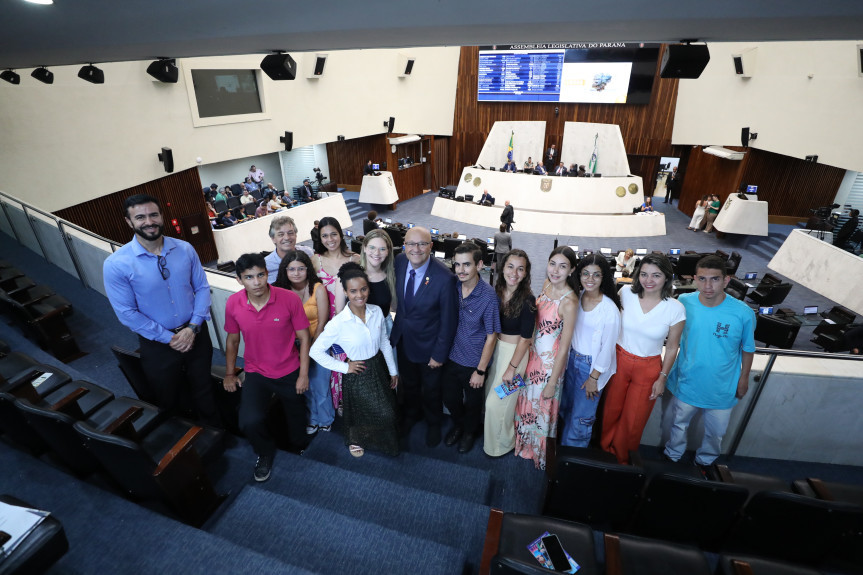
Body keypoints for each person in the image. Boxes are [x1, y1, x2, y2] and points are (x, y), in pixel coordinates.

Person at [103, 194, 220, 427]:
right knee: (168, 395)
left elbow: (202, 288)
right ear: (129, 222)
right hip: (157, 343)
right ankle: (181, 445)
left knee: (204, 388)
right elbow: (127, 312)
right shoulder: (117, 264)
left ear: (161, 216)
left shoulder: (185, 249)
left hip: (196, 333)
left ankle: (216, 434)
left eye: (153, 214)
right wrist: (170, 338)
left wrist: (192, 327)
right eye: (140, 217)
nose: (149, 221)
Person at [663, 255, 755, 475]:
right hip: (687, 380)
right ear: (694, 279)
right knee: (678, 425)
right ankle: (672, 456)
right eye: (702, 279)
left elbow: (748, 348)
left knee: (716, 433)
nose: (708, 285)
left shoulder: (743, 313)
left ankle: (705, 462)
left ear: (726, 280)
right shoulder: (684, 302)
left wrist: (743, 379)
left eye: (714, 279)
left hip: (722, 387)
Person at [223, 253, 310, 482]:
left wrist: (303, 374)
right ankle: (264, 452)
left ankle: (299, 447)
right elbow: (232, 341)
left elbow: (304, 337)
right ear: (240, 280)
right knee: (248, 421)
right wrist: (229, 373)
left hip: (289, 370)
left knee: (297, 422)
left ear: (267, 273)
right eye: (249, 277)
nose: (257, 282)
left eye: (260, 275)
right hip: (256, 372)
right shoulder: (233, 303)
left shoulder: (289, 299)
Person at [600, 254, 685, 464]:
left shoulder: (676, 308)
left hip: (649, 367)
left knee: (634, 418)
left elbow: (673, 347)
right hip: (619, 359)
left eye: (656, 275)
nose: (649, 280)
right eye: (644, 274)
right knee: (610, 409)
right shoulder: (626, 293)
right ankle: (603, 451)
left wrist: (662, 378)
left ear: (666, 278)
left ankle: (621, 457)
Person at [310, 263, 399, 457]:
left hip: (379, 367)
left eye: (363, 289)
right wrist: (344, 367)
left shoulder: (376, 311)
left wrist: (393, 371)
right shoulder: (339, 323)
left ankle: (367, 434)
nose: (360, 295)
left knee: (388, 409)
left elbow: (384, 341)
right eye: (353, 291)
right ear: (345, 292)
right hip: (357, 371)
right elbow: (315, 352)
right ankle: (357, 438)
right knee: (372, 412)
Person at [390, 226, 458, 447]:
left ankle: (433, 423)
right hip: (403, 340)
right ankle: (411, 415)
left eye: (422, 244)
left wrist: (439, 354)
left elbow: (448, 321)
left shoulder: (444, 278)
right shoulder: (399, 262)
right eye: (411, 244)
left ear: (431, 246)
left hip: (430, 348)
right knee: (409, 385)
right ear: (404, 246)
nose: (416, 249)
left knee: (431, 390)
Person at [515, 247, 578, 470]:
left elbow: (564, 348)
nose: (556, 270)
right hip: (532, 357)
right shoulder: (546, 285)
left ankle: (538, 453)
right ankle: (523, 446)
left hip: (550, 366)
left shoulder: (570, 302)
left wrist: (552, 383)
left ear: (571, 270)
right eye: (553, 263)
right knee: (525, 401)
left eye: (563, 266)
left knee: (541, 406)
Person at [441, 243, 500, 453]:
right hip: (450, 357)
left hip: (474, 363)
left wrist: (480, 370)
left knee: (474, 405)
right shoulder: (453, 286)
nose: (461, 270)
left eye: (467, 264)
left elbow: (492, 337)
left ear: (480, 264)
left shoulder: (488, 296)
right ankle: (459, 425)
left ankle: (469, 432)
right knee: (450, 399)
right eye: (457, 264)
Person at [559, 254, 622, 448]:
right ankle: (560, 454)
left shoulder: (609, 309)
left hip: (590, 368)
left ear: (604, 278)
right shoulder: (575, 297)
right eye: (585, 274)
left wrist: (594, 378)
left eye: (596, 275)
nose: (590, 279)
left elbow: (607, 348)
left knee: (581, 418)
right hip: (570, 361)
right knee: (565, 409)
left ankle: (572, 464)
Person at [274, 250, 333, 435]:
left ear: (308, 269)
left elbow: (322, 322)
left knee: (320, 385)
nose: (297, 273)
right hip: (294, 347)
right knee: (304, 386)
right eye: (292, 269)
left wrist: (313, 348)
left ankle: (325, 419)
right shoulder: (281, 291)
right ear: (285, 270)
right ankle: (312, 418)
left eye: (301, 268)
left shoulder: (318, 288)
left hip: (318, 343)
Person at [484, 249, 536, 457]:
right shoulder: (496, 292)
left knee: (497, 404)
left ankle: (501, 445)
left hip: (516, 357)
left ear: (526, 273)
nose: (514, 273)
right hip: (496, 350)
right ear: (502, 268)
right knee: (491, 399)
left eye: (520, 269)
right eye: (510, 266)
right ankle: (495, 441)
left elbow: (526, 339)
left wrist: (512, 368)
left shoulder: (528, 300)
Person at [313, 216, 361, 412]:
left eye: (334, 234)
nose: (330, 239)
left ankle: (351, 404)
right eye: (325, 235)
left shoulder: (355, 258)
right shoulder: (315, 260)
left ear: (341, 235)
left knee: (350, 363)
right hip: (325, 321)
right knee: (330, 366)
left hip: (350, 322)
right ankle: (336, 403)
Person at [360, 229, 397, 336]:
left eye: (382, 249)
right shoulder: (350, 275)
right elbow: (339, 313)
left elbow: (394, 308)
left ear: (388, 252)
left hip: (384, 332)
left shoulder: (392, 277)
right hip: (357, 333)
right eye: (372, 247)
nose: (377, 253)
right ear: (364, 248)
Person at [265, 215, 315, 283]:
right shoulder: (266, 265)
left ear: (296, 235)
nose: (287, 238)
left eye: (290, 233)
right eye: (281, 234)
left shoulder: (308, 253)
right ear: (273, 239)